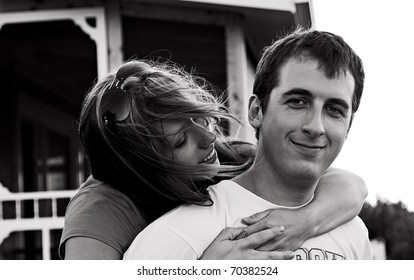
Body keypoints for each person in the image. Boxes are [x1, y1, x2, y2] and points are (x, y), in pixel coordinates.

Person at [60, 55, 367, 260]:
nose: (209, 137)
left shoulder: (222, 156)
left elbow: (351, 186)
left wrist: (303, 222)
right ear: (142, 168)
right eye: (181, 140)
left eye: (201, 119)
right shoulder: (100, 212)